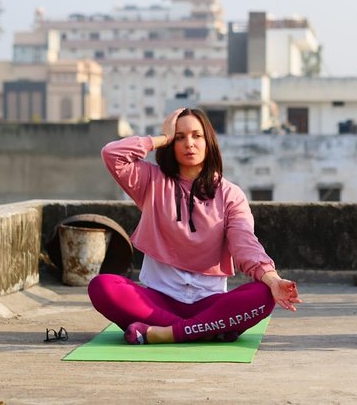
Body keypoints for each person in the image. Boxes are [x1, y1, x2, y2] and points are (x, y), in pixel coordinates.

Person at [89, 107, 301, 345]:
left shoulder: (230, 194)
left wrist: (273, 280)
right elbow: (112, 154)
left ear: (208, 141)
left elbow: (245, 243)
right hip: (157, 301)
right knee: (102, 287)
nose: (189, 143)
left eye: (196, 136)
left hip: (209, 302)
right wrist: (162, 138)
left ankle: (166, 333)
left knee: (262, 295)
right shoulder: (151, 182)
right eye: (180, 137)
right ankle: (203, 331)